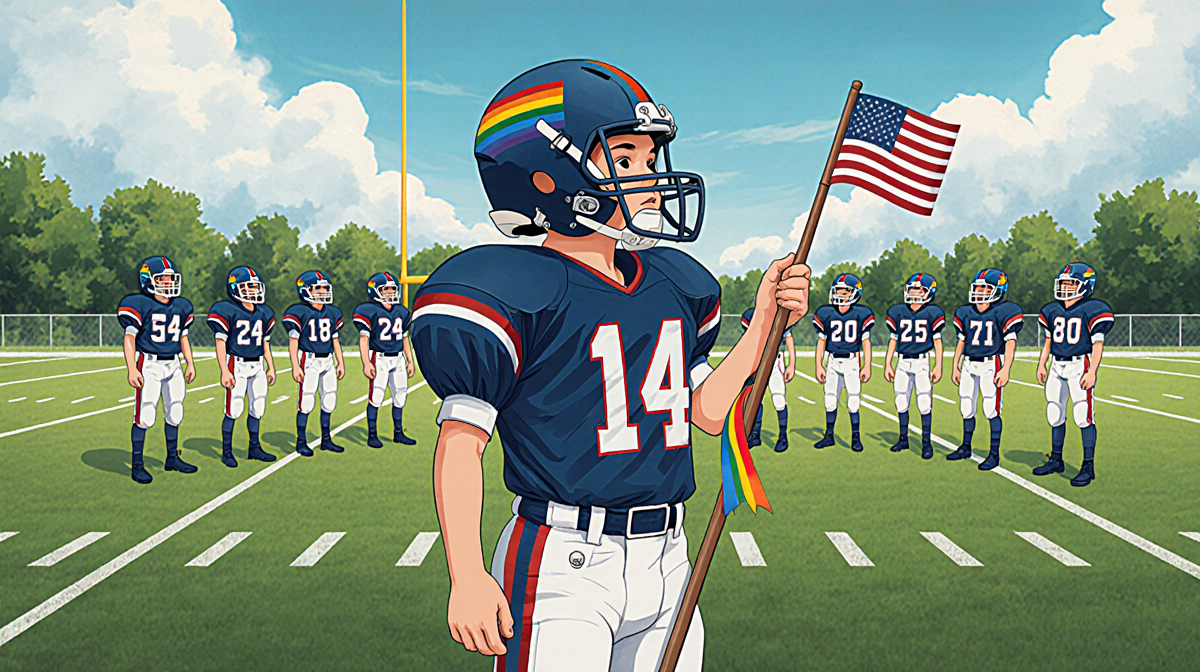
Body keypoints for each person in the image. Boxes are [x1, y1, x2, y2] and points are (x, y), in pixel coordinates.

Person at [410, 60, 809, 672]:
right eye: (624, 160)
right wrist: (464, 572)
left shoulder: (674, 284)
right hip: (562, 559)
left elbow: (704, 414)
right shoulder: (512, 288)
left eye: (650, 161)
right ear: (546, 176)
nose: (649, 179)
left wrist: (762, 324)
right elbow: (463, 442)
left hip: (670, 559)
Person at [117, 256, 197, 484]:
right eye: (161, 279)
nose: (167, 282)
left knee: (175, 411)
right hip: (149, 363)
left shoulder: (180, 306)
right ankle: (137, 464)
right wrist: (132, 368)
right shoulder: (140, 304)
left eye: (169, 278)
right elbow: (129, 337)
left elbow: (183, 337)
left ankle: (172, 457)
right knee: (145, 414)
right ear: (148, 281)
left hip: (173, 363)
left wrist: (189, 362)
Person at [1033, 262, 1113, 486]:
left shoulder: (1093, 309)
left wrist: (1092, 370)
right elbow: (1049, 341)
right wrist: (1042, 364)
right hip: (1057, 364)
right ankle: (1056, 458)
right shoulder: (1052, 310)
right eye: (1064, 282)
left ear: (1086, 286)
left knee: (1082, 414)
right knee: (1054, 411)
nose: (1066, 287)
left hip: (1080, 364)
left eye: (1071, 283)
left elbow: (1098, 344)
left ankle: (1088, 465)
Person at [949, 269, 1023, 470]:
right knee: (966, 406)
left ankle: (993, 454)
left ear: (998, 290)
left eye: (986, 287)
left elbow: (1010, 342)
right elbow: (961, 341)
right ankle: (965, 447)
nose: (980, 291)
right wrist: (955, 365)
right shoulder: (966, 312)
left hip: (991, 363)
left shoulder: (1004, 311)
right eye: (978, 287)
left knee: (991, 408)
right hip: (969, 363)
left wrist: (1006, 368)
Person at [207, 266, 278, 467]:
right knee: (234, 408)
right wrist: (224, 369)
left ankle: (254, 447)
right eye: (248, 286)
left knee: (257, 407)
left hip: (257, 365)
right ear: (235, 288)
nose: (253, 290)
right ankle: (227, 451)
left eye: (255, 286)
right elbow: (220, 342)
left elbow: (265, 343)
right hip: (236, 363)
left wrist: (270, 366)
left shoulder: (264, 312)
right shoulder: (228, 311)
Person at [883, 273, 945, 459]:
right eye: (912, 289)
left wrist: (938, 365)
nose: (914, 293)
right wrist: (888, 363)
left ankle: (926, 443)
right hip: (902, 361)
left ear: (929, 293)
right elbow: (893, 339)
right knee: (901, 401)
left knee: (924, 402)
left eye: (919, 290)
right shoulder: (898, 312)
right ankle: (903, 439)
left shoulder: (932, 313)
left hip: (922, 361)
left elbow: (937, 342)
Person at [283, 270, 345, 456]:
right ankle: (301, 442)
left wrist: (340, 362)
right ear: (306, 290)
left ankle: (326, 440)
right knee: (307, 401)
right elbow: (293, 341)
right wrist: (295, 365)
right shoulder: (300, 312)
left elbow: (335, 340)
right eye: (318, 287)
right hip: (308, 359)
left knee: (329, 399)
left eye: (325, 287)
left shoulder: (332, 312)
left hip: (327, 360)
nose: (323, 291)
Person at [352, 272, 416, 447]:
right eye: (386, 289)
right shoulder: (370, 311)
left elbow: (404, 338)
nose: (390, 292)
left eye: (392, 289)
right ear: (375, 291)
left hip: (398, 359)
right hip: (378, 357)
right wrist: (366, 363)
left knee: (400, 395)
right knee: (377, 395)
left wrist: (410, 360)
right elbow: (364, 339)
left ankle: (398, 432)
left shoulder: (401, 312)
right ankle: (372, 434)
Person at [811, 273, 874, 452]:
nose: (840, 294)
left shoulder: (861, 314)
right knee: (830, 399)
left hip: (852, 361)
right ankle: (829, 436)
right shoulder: (827, 313)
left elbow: (865, 342)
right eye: (837, 290)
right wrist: (818, 364)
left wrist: (867, 365)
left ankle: (856, 437)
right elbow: (821, 341)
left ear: (854, 293)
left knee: (853, 400)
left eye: (844, 291)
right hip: (832, 360)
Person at [739, 307, 795, 452]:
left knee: (778, 398)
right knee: (756, 398)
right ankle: (755, 434)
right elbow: (748, 341)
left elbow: (789, 339)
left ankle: (783, 436)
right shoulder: (751, 315)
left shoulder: (782, 315)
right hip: (757, 362)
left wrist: (791, 365)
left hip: (775, 362)